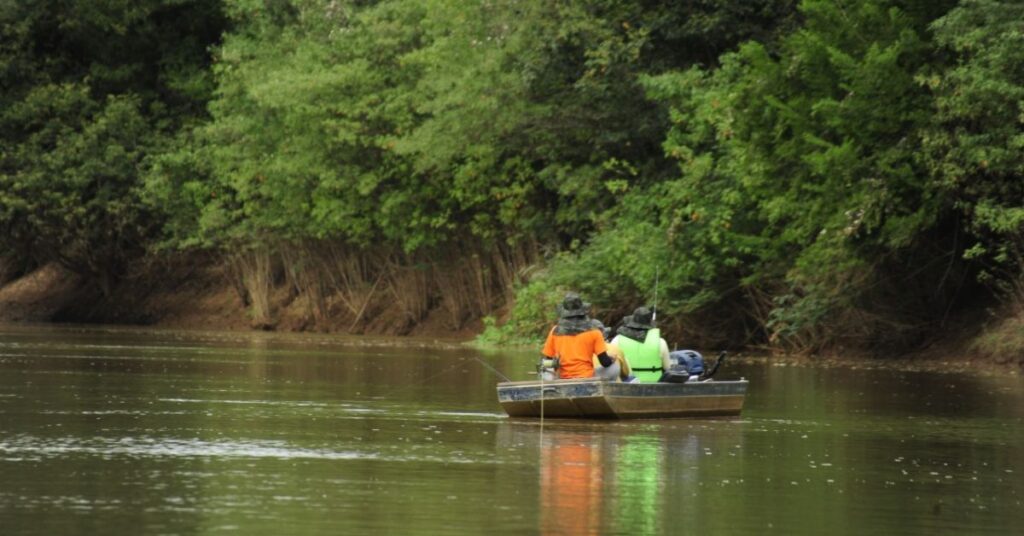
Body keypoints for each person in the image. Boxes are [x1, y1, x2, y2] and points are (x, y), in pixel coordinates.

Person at [541, 293, 620, 381]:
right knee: (614, 368)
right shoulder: (594, 331)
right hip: (588, 377)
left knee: (545, 370)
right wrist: (611, 359)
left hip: (563, 377)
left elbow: (547, 361)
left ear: (564, 313)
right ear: (583, 312)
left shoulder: (555, 331)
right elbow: (605, 362)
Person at [611, 306, 671, 382]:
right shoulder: (661, 342)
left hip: (626, 386)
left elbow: (611, 366)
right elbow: (668, 367)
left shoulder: (617, 340)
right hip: (654, 387)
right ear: (650, 325)